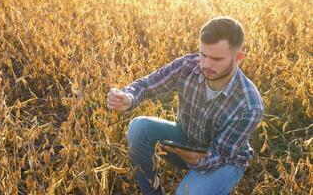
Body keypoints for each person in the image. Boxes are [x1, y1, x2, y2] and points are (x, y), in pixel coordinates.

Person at [106, 16, 264, 195]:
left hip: (223, 161)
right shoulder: (189, 65)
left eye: (216, 59)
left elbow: (221, 155)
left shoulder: (249, 105)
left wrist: (197, 160)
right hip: (186, 139)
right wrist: (129, 96)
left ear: (238, 58)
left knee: (187, 192)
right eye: (203, 55)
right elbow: (148, 84)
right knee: (138, 127)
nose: (206, 64)